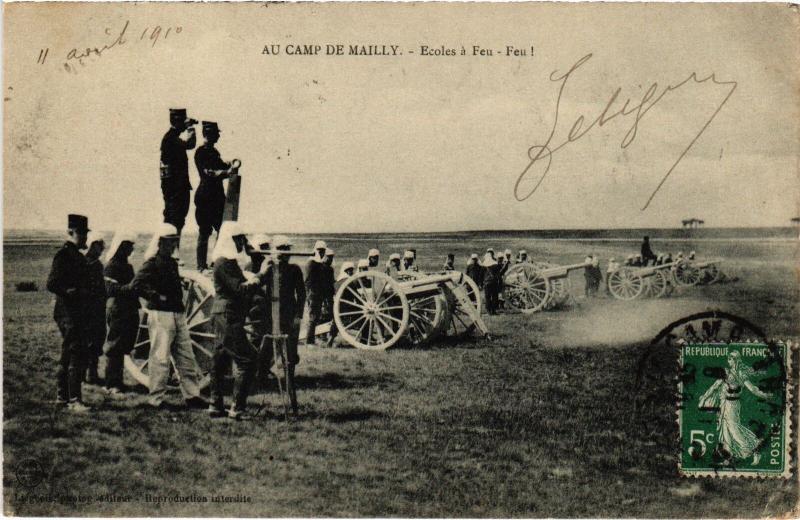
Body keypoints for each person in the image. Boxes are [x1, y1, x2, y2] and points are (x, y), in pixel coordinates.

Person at [132, 223, 207, 410]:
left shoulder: (172, 263)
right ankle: (156, 399)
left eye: (174, 241)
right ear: (160, 242)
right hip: (161, 315)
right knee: (160, 358)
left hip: (178, 315)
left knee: (186, 358)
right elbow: (137, 285)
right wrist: (156, 296)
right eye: (169, 241)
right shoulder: (151, 263)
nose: (172, 244)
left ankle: (192, 396)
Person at [208, 221, 267, 419]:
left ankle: (216, 405)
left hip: (224, 315)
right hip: (229, 315)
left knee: (220, 358)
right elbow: (241, 290)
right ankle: (237, 408)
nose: (243, 242)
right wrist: (261, 276)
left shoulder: (225, 261)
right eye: (240, 239)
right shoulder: (225, 262)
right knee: (248, 359)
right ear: (231, 240)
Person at [46, 214, 91, 412]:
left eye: (84, 233)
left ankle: (62, 398)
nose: (84, 238)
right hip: (68, 313)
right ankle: (74, 400)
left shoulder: (76, 256)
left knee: (69, 354)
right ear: (71, 233)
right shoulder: (63, 256)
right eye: (81, 234)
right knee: (75, 354)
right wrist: (69, 291)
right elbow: (52, 283)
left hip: (75, 312)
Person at [698, 351, 772, 465]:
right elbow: (715, 386)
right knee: (725, 430)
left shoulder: (741, 374)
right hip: (724, 404)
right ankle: (728, 457)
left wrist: (764, 395)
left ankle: (754, 451)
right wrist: (704, 398)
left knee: (734, 429)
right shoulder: (726, 372)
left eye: (731, 358)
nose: (729, 361)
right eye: (728, 359)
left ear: (737, 360)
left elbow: (752, 389)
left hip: (733, 405)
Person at [194, 121, 239, 270]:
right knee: (205, 232)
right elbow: (211, 173)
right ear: (209, 134)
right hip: (206, 198)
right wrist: (228, 171)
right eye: (216, 133)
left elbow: (221, 165)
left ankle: (215, 261)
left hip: (216, 198)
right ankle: (201, 265)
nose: (219, 135)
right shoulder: (201, 152)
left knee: (222, 230)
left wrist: (231, 164)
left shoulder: (213, 152)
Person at [261, 235, 306, 383]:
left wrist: (298, 316)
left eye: (286, 249)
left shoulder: (294, 270)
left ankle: (289, 379)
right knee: (267, 347)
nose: (283, 253)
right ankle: (262, 378)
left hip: (289, 314)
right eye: (280, 249)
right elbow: (257, 282)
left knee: (290, 349)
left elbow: (301, 294)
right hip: (271, 315)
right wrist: (264, 267)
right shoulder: (269, 268)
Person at [102, 231, 139, 395]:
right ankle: (112, 383)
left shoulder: (127, 266)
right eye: (129, 246)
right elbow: (110, 289)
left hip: (128, 309)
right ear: (121, 247)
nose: (131, 250)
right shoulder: (111, 266)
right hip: (117, 308)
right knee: (115, 345)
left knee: (123, 344)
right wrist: (130, 289)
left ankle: (117, 381)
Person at [160, 108, 197, 242]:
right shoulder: (170, 139)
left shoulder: (171, 138)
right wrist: (190, 127)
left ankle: (172, 252)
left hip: (176, 188)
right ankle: (171, 253)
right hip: (175, 189)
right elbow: (190, 144)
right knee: (174, 222)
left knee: (177, 221)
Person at [83, 232, 107, 386]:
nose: (101, 250)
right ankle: (84, 374)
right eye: (99, 247)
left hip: (98, 309)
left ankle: (92, 373)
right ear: (92, 247)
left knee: (97, 340)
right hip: (86, 309)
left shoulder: (98, 265)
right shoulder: (83, 264)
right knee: (87, 341)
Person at [327, 261, 355, 347]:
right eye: (350, 270)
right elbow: (355, 294)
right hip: (347, 307)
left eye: (352, 270)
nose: (351, 272)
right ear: (346, 271)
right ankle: (364, 339)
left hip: (338, 307)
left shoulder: (337, 282)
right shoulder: (349, 281)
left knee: (336, 321)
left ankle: (330, 339)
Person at [305, 241, 328, 346]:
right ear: (316, 250)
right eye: (320, 251)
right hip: (313, 294)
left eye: (323, 251)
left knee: (316, 317)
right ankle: (309, 341)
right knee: (313, 317)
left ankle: (312, 339)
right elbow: (309, 280)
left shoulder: (318, 263)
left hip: (318, 294)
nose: (322, 253)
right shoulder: (311, 263)